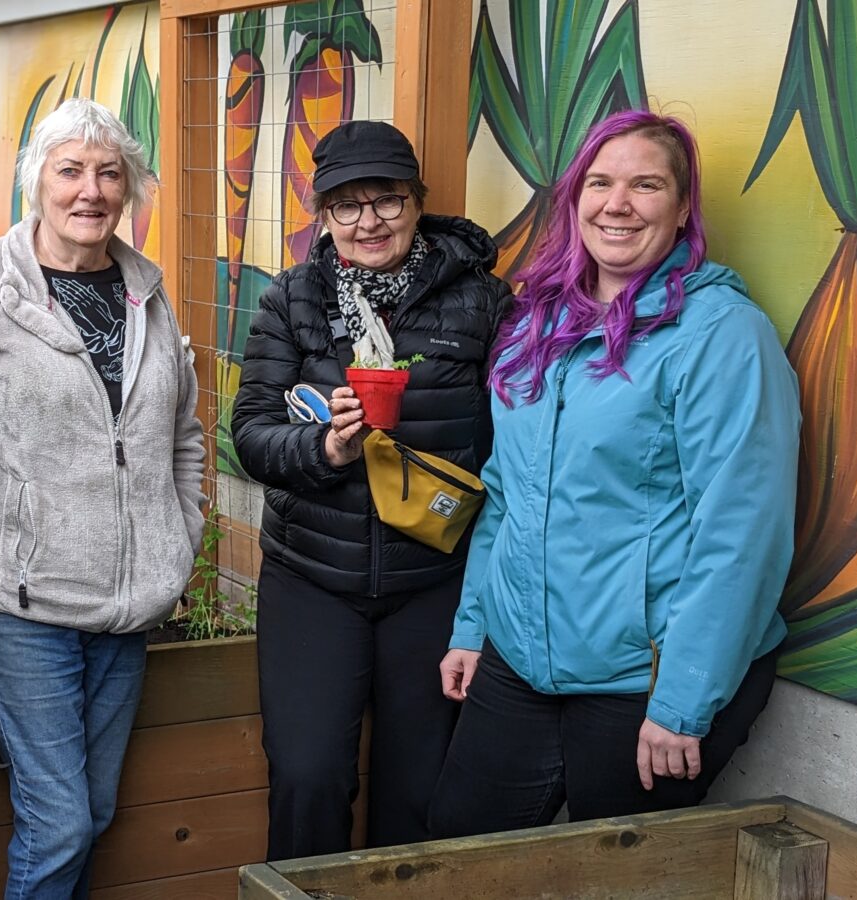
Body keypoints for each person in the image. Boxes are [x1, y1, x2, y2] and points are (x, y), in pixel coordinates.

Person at [431, 110, 800, 836]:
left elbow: (741, 534)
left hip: (645, 677)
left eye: (646, 185)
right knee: (459, 851)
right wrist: (474, 625)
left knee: (609, 877)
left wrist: (683, 702)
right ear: (575, 199)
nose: (617, 203)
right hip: (520, 652)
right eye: (599, 182)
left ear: (684, 205)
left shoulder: (721, 336)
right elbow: (506, 495)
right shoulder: (539, 323)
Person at [0, 98, 206, 899]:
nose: (91, 190)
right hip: (20, 607)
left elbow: (181, 434)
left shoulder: (145, 288)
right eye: (70, 170)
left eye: (110, 172)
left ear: (131, 187)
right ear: (36, 181)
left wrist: (178, 544)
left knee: (93, 810)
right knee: (61, 819)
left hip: (127, 609)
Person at [230, 120, 511, 860]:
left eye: (386, 199)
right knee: (309, 776)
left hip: (433, 579)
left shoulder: (481, 301)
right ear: (323, 217)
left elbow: (514, 441)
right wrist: (325, 446)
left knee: (418, 786)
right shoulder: (292, 300)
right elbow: (252, 434)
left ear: (417, 202)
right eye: (345, 207)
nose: (368, 222)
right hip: (312, 577)